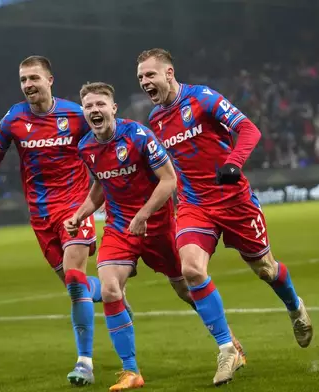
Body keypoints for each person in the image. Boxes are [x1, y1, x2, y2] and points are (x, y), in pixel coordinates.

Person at [136, 48, 313, 386]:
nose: (145, 81)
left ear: (169, 73)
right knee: (190, 268)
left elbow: (249, 130)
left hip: (233, 200)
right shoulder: (155, 121)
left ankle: (295, 307)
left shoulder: (202, 98)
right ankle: (227, 348)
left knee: (266, 269)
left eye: (150, 75)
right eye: (141, 76)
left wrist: (234, 162)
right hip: (194, 205)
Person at [65, 82, 246, 391]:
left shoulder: (137, 136)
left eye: (100, 104)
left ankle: (229, 343)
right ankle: (131, 371)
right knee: (110, 290)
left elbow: (169, 180)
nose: (95, 110)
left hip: (158, 227)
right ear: (84, 112)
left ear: (113, 108)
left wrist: (144, 215)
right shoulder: (86, 147)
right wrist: (81, 213)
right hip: (120, 227)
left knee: (187, 288)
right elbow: (100, 186)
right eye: (89, 106)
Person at [0, 55, 103, 386]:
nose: (28, 85)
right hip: (40, 216)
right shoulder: (13, 119)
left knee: (76, 282)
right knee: (75, 285)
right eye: (23, 80)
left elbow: (103, 147)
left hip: (75, 210)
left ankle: (84, 362)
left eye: (34, 78)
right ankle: (110, 289)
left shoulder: (76, 116)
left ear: (50, 80)